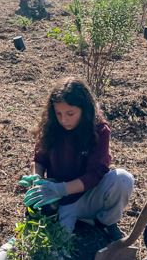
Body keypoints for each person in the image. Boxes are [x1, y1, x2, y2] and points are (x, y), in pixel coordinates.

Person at [22, 77, 135, 240]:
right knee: (56, 248)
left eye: (70, 113)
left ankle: (105, 222)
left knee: (123, 179)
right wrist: (37, 181)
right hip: (61, 200)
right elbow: (39, 159)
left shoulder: (99, 131)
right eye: (58, 113)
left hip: (89, 195)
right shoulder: (51, 126)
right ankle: (68, 217)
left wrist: (62, 188)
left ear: (85, 110)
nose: (63, 120)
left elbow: (96, 174)